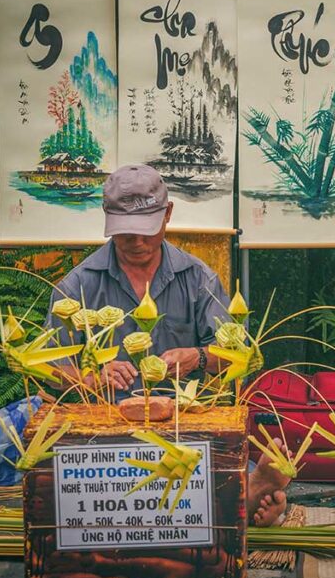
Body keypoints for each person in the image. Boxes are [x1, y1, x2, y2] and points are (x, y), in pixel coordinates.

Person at [46, 164, 289, 526]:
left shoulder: (198, 279)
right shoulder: (77, 285)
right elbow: (50, 368)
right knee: (108, 483)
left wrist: (198, 357)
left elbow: (240, 356)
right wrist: (92, 378)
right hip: (104, 426)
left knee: (196, 463)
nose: (137, 241)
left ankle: (247, 489)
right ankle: (243, 495)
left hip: (183, 422)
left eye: (146, 229)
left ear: (168, 214)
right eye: (126, 231)